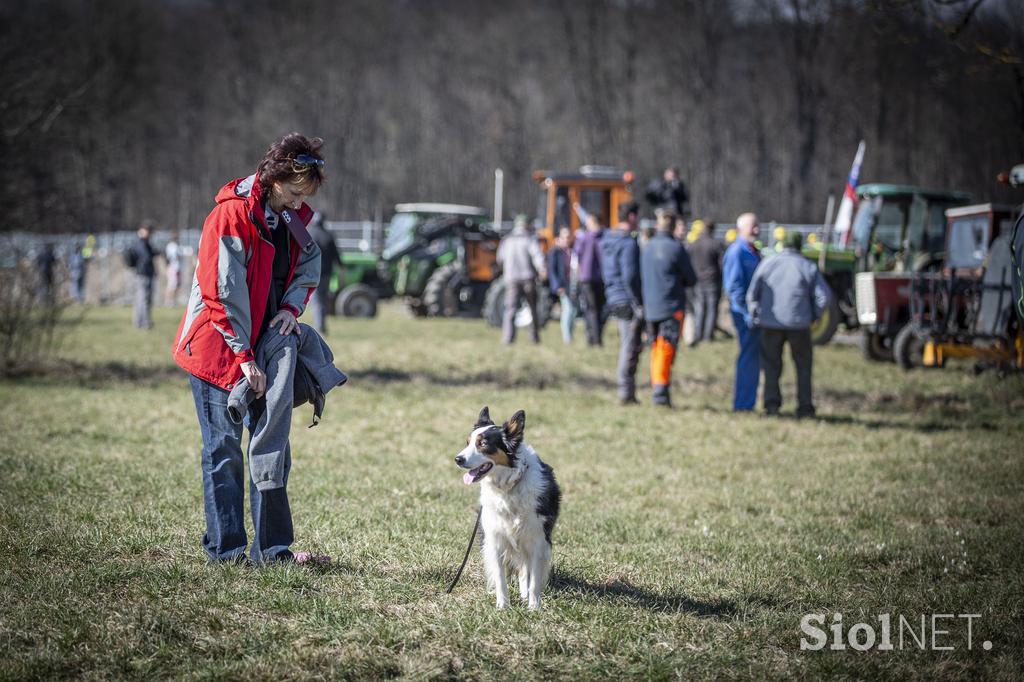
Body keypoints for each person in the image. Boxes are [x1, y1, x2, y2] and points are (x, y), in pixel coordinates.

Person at [172, 132, 326, 565]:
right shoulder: (230, 216)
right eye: (295, 192)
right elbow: (220, 294)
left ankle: (272, 552)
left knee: (272, 446)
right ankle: (227, 552)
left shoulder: (290, 218)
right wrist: (242, 359)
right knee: (223, 451)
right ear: (275, 179)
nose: (299, 203)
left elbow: (309, 263)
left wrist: (292, 309)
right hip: (217, 352)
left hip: (262, 350)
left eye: (305, 196)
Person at [747, 232, 831, 418]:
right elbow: (823, 296)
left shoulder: (768, 263)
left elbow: (752, 293)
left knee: (771, 366)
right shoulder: (806, 265)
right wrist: (813, 315)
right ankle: (805, 408)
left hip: (770, 323)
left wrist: (756, 315)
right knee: (803, 366)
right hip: (799, 324)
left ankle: (771, 406)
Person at [641, 210, 697, 407]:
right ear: (674, 226)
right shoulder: (676, 248)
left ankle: (657, 386)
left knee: (656, 348)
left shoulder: (647, 247)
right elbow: (691, 278)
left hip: (650, 307)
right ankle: (661, 392)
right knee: (666, 348)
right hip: (671, 306)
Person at [601, 201, 644, 405]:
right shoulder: (628, 243)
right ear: (633, 217)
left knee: (626, 343)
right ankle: (625, 392)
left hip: (613, 295)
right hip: (627, 298)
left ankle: (627, 389)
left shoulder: (607, 239)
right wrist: (639, 301)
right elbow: (630, 276)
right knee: (630, 346)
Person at [722, 212, 762, 411]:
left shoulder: (752, 250)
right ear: (741, 228)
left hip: (753, 314)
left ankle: (749, 401)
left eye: (758, 226)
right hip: (745, 316)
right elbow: (734, 287)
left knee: (753, 357)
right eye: (752, 226)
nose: (757, 230)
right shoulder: (737, 252)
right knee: (748, 357)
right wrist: (748, 313)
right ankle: (743, 404)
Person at [497, 214, 546, 344]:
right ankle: (534, 337)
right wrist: (542, 269)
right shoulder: (529, 239)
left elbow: (500, 259)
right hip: (528, 278)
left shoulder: (507, 240)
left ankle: (508, 338)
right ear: (526, 225)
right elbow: (537, 256)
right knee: (532, 308)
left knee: (510, 309)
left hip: (511, 279)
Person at [686, 218, 725, 346]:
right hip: (712, 281)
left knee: (700, 308)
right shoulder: (715, 244)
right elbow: (721, 264)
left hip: (697, 281)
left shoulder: (694, 244)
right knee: (711, 309)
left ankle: (699, 334)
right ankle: (708, 336)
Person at [307, 212, 342, 334]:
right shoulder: (328, 235)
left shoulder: (309, 234)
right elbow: (336, 254)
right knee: (323, 299)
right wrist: (341, 266)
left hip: (313, 273)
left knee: (316, 301)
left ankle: (319, 326)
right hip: (327, 273)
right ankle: (322, 325)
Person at [574, 212, 605, 346]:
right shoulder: (604, 237)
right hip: (601, 278)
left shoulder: (584, 238)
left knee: (591, 309)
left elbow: (576, 256)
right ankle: (596, 338)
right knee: (599, 309)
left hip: (586, 278)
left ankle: (593, 339)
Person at [548, 226, 577, 344]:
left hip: (572, 285)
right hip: (562, 286)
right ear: (558, 239)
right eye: (564, 237)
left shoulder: (571, 251)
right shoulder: (555, 252)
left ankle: (570, 335)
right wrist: (557, 286)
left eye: (568, 237)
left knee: (573, 311)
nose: (567, 240)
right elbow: (552, 270)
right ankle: (567, 339)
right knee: (568, 309)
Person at [127, 221, 158, 329]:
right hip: (143, 274)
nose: (150, 234)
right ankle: (144, 322)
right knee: (143, 299)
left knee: (142, 299)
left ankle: (139, 322)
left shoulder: (144, 242)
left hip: (145, 273)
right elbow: (146, 257)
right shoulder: (141, 243)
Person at [165, 231, 182, 306]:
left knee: (177, 285)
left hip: (178, 267)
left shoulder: (177, 245)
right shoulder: (171, 246)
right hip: (173, 267)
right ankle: (168, 300)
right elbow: (172, 257)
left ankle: (173, 300)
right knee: (172, 284)